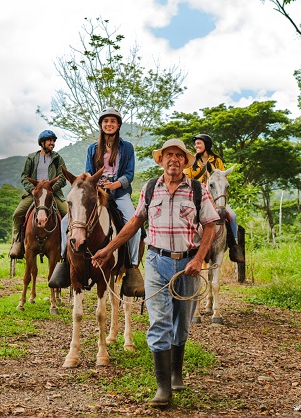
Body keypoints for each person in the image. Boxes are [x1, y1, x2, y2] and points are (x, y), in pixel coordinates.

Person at [91, 138, 219, 407]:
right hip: (156, 262)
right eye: (168, 155)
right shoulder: (150, 188)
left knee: (181, 324)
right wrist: (108, 248)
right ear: (160, 161)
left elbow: (210, 226)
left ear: (185, 162)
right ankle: (163, 388)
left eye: (179, 156)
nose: (173, 159)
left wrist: (199, 259)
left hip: (188, 267)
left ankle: (175, 373)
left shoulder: (197, 189)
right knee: (159, 322)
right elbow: (136, 222)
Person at [52, 108, 144, 296]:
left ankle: (132, 266)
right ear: (101, 125)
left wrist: (114, 184)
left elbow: (129, 174)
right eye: (105, 121)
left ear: (118, 125)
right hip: (97, 194)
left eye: (112, 121)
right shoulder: (93, 148)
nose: (109, 124)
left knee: (136, 227)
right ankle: (64, 260)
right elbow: (87, 172)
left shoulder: (127, 148)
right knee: (64, 224)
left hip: (119, 194)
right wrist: (96, 184)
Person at [185, 133, 244, 263]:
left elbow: (222, 179)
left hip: (216, 197)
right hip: (197, 198)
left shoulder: (217, 160)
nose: (196, 146)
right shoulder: (191, 162)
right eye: (195, 144)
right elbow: (186, 179)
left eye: (199, 143)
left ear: (206, 145)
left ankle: (233, 245)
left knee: (232, 216)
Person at [9, 130, 68, 259]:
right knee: (17, 214)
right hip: (35, 193)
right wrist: (32, 190)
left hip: (53, 193)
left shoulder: (58, 158)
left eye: (53, 141)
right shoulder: (31, 158)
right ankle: (17, 243)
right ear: (42, 143)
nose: (52, 143)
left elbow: (63, 178)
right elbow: (24, 177)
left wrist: (51, 189)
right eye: (50, 141)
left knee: (69, 215)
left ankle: (69, 247)